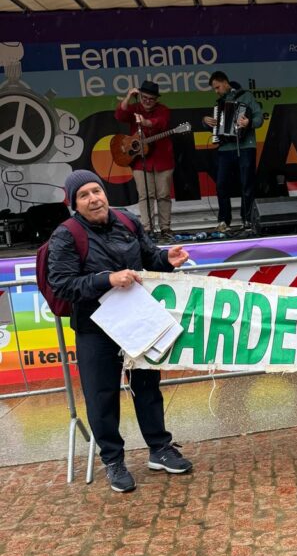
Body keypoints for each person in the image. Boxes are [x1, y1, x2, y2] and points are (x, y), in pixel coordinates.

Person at [47, 169, 193, 492]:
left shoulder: (127, 221)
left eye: (96, 191)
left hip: (137, 321)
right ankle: (113, 460)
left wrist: (166, 258)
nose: (93, 199)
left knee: (147, 386)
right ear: (73, 204)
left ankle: (160, 449)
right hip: (95, 329)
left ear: (105, 192)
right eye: (83, 195)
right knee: (102, 397)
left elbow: (147, 256)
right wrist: (107, 279)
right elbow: (62, 284)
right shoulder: (66, 235)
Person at [115, 80, 175, 242]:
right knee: (145, 195)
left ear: (156, 99)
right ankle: (147, 229)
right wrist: (128, 96)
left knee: (163, 194)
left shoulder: (163, 110)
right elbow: (120, 115)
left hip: (162, 159)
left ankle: (165, 229)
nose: (147, 101)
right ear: (140, 96)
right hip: (139, 160)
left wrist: (146, 122)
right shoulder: (135, 108)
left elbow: (160, 123)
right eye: (144, 97)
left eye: (151, 99)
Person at [203, 71, 263, 232]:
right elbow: (216, 127)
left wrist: (248, 122)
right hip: (225, 148)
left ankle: (247, 219)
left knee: (247, 184)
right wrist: (206, 122)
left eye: (217, 87)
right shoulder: (219, 103)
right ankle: (224, 220)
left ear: (225, 82)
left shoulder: (246, 96)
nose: (216, 91)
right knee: (221, 184)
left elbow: (259, 118)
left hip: (245, 147)